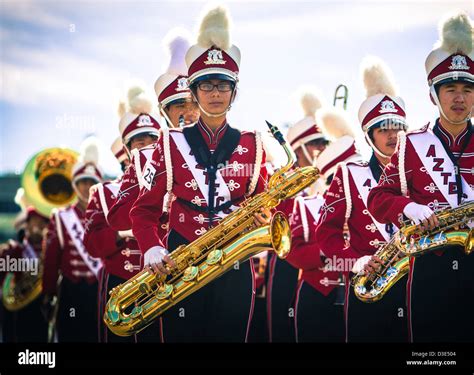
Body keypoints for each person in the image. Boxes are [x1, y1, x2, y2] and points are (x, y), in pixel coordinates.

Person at [130, 5, 269, 342]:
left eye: (224, 85)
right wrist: (151, 248)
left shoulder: (253, 144)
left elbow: (266, 205)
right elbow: (143, 210)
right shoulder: (169, 143)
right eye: (206, 85)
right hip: (181, 262)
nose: (216, 93)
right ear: (193, 91)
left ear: (234, 92)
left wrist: (263, 219)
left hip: (235, 264)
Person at [367, 11, 474, 342]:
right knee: (431, 355)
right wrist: (408, 208)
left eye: (467, 89)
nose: (459, 98)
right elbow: (377, 198)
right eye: (450, 89)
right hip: (430, 268)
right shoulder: (411, 144)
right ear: (433, 95)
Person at [267, 89, 328, 342]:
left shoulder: (333, 177)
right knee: (283, 329)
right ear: (299, 147)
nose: (322, 148)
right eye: (316, 143)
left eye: (325, 142)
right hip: (287, 263)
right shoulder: (283, 181)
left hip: (326, 268)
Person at [42, 137, 104, 342]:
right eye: (82, 182)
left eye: (92, 183)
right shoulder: (61, 217)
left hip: (98, 292)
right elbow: (51, 260)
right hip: (70, 292)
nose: (87, 187)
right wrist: (48, 292)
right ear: (75, 185)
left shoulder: (107, 216)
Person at [83, 136, 143, 343]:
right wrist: (121, 233)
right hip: (119, 282)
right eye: (139, 142)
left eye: (153, 140)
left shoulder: (170, 185)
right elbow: (91, 244)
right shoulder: (103, 193)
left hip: (161, 282)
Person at [0, 206, 49, 342]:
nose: (38, 226)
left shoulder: (51, 252)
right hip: (16, 314)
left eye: (43, 222)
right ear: (26, 224)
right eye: (34, 221)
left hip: (42, 312)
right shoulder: (13, 250)